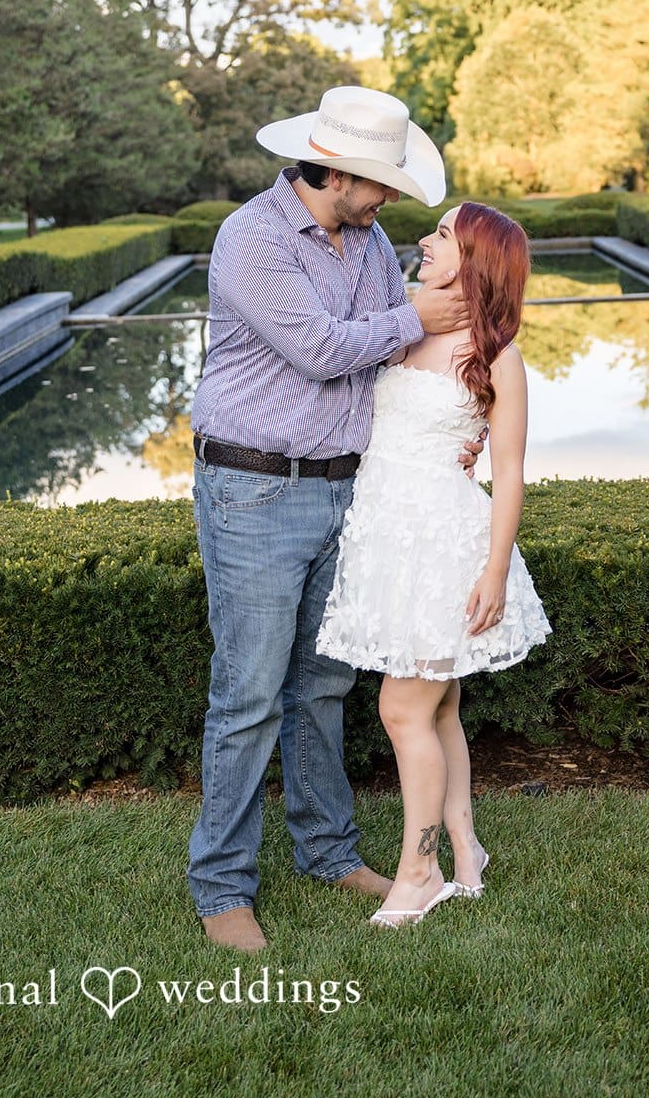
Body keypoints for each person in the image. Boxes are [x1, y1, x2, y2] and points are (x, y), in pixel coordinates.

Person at [187, 86, 482, 953]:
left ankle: (327, 852)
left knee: (322, 688)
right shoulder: (254, 238)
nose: (390, 200)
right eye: (380, 183)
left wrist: (456, 436)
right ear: (339, 171)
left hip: (348, 493)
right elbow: (320, 349)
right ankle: (221, 890)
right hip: (254, 492)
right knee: (246, 698)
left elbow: (389, 364)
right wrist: (414, 315)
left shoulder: (368, 241)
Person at [316, 201, 553, 927]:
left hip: (442, 548)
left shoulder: (498, 361)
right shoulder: (403, 329)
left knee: (400, 708)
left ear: (475, 260)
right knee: (439, 704)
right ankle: (463, 845)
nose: (422, 240)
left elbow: (507, 474)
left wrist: (491, 570)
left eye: (441, 234)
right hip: (386, 540)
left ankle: (417, 870)